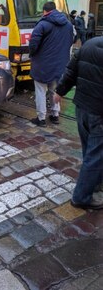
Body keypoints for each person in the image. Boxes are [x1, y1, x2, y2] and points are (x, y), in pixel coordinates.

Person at [53, 36, 103, 209]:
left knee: (90, 151)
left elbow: (71, 71)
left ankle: (95, 183)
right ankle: (81, 197)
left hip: (81, 108)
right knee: (95, 155)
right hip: (99, 112)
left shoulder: (89, 44)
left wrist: (59, 91)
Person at [29, 1, 74, 126]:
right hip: (60, 65)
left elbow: (33, 44)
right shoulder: (69, 25)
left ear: (45, 11)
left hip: (42, 64)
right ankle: (55, 115)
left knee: (40, 90)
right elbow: (71, 41)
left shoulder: (42, 24)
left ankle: (41, 118)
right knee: (54, 90)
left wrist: (32, 55)